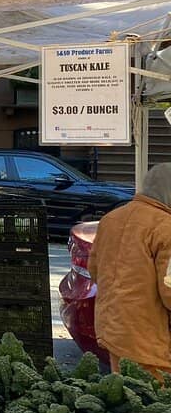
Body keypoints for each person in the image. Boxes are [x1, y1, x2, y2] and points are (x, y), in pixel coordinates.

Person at [88, 162, 171, 378]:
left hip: (112, 329)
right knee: (154, 405)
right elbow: (170, 290)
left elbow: (94, 270)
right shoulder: (166, 227)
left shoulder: (110, 219)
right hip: (150, 339)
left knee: (126, 396)